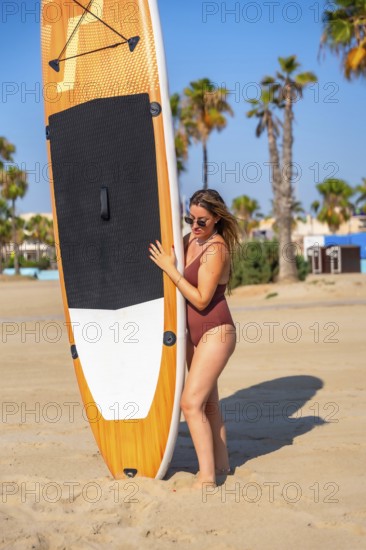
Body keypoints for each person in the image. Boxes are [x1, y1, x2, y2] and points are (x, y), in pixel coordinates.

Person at [148, 188, 240, 489]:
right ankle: (222, 465)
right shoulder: (189, 240)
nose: (195, 226)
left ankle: (207, 477)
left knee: (190, 403)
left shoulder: (216, 249)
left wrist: (171, 270)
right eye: (191, 219)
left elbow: (201, 300)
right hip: (192, 333)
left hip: (217, 330)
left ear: (216, 219)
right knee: (209, 403)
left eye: (202, 220)